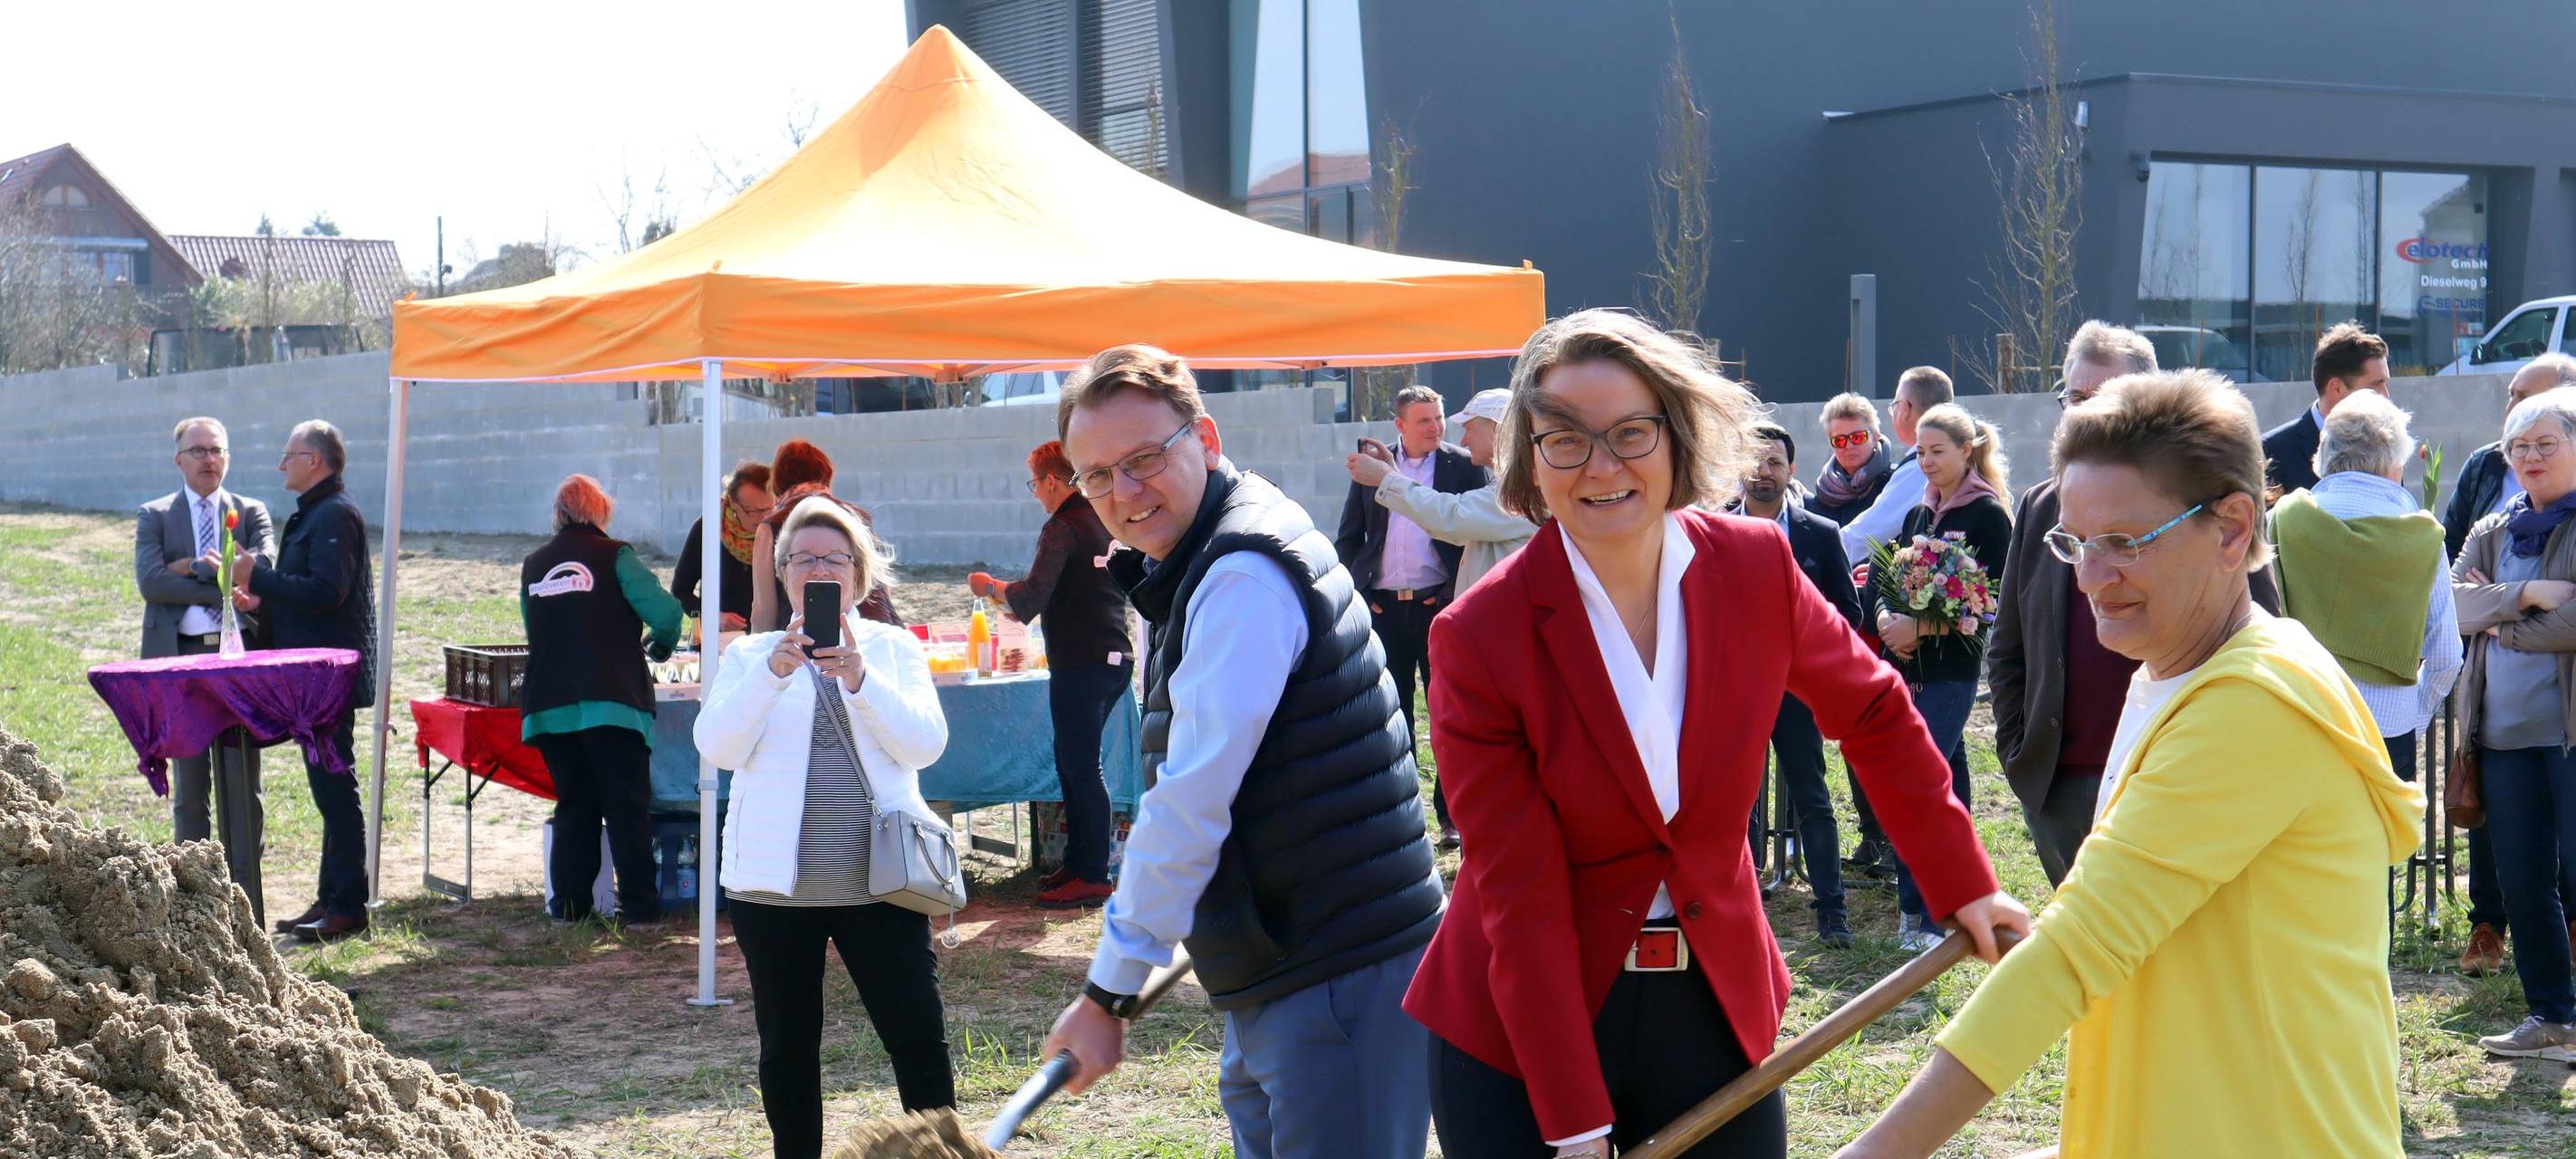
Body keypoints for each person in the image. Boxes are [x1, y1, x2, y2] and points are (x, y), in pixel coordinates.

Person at [1406, 309, 2025, 1159]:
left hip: (1710, 1002)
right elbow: (1519, 886)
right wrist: (1576, 1124)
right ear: (1530, 460)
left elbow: (1876, 712)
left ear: (1676, 437)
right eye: (1566, 441)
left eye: (1631, 433)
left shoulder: (1756, 567)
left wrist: (1964, 881)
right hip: (1523, 1033)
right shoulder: (1478, 635)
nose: (1603, 467)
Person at [1836, 369, 2427, 1159]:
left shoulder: (2254, 704)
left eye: (2124, 543)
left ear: (2229, 528)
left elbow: (2084, 944)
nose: (2088, 578)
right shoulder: (2175, 670)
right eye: (2075, 543)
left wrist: (1876, 1151)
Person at [1041, 344, 1444, 1159]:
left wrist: (1108, 990)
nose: (1123, 491)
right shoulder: (1204, 551)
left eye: (1145, 458)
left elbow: (1190, 800)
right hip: (1290, 961)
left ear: (1207, 439)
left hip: (1338, 966)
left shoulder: (1241, 574)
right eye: (1095, 475)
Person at [695, 499, 955, 1158]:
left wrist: (861, 679)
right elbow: (717, 746)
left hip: (882, 884)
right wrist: (772, 675)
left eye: (833, 558)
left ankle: (940, 1152)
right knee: (787, 1046)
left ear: (859, 575)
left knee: (917, 1035)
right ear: (783, 575)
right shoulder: (752, 654)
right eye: (803, 558)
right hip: (771, 891)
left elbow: (925, 745)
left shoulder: (893, 649)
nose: (818, 568)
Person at [1989, 322, 2157, 886]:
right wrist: (2017, 750)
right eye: (2075, 398)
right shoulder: (2040, 508)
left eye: (2102, 398)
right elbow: (2009, 644)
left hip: (2158, 777)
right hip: (2059, 786)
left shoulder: (2193, 506)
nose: (2084, 413)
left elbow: (2253, 632)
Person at [2450, 385, 2576, 1063]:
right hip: (2500, 739)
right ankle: (2552, 1016)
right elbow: (2449, 604)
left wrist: (2503, 628)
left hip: (2569, 736)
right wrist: (2524, 596)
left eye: (2545, 444)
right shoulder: (2495, 528)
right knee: (2524, 883)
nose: (2530, 457)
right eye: (2518, 447)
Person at [1870, 402, 2012, 952]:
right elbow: (1885, 577)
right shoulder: (1917, 515)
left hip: (1951, 674)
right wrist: (1885, 617)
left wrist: (1923, 627)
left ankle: (1923, 916)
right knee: (1947, 789)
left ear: (1966, 451)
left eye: (1937, 451)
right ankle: (1957, 902)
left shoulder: (1988, 516)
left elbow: (1993, 600)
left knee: (1917, 784)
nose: (1926, 462)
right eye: (1920, 452)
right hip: (1908, 672)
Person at [969, 439, 1134, 909]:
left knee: (1080, 767)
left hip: (1083, 661)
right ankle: (1082, 864)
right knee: (1075, 764)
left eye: (1035, 483)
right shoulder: (1099, 517)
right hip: (1111, 658)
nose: (1035, 493)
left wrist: (989, 587)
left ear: (1053, 480)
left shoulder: (1062, 525)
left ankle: (1094, 874)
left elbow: (1029, 599)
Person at [2273, 391, 2460, 788]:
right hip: (2387, 730)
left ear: (2322, 457)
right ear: (2397, 461)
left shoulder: (2282, 520)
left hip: (2299, 719)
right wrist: (2414, 716)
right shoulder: (2424, 536)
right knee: (2381, 849)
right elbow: (2447, 655)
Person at [521, 474, 686, 924]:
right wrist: (660, 645)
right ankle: (639, 912)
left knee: (575, 807)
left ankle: (568, 912)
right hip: (611, 700)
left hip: (550, 703)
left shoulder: (534, 564)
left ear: (558, 515)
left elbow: (534, 628)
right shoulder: (616, 556)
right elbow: (669, 614)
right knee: (626, 807)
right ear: (600, 513)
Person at [235, 419, 376, 943]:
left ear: (314, 461)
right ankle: (330, 897)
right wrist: (261, 599)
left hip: (328, 677)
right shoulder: (316, 514)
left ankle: (349, 905)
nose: (281, 465)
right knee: (327, 791)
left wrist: (257, 577)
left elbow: (327, 591)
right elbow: (304, 593)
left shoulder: (335, 513)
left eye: (288, 455)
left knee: (337, 791)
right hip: (311, 676)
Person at [1335, 383, 1491, 846]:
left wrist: (1446, 594)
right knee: (1389, 713)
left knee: (1446, 713)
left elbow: (1472, 533)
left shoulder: (1462, 465)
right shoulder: (1373, 469)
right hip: (1383, 609)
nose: (1436, 428)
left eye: (1439, 418)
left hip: (1436, 608)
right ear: (1399, 425)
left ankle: (1451, 819)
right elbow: (1350, 537)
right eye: (1424, 420)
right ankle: (1401, 815)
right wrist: (1362, 593)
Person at [1731, 420, 1862, 945]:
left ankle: (1831, 909)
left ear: (1792, 471)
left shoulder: (1818, 533)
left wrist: (1806, 656)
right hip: (1732, 693)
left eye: (1774, 464)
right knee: (1731, 798)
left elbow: (1847, 615)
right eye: (1754, 462)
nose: (1763, 474)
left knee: (1812, 795)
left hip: (1793, 691)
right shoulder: (1710, 529)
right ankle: (1736, 906)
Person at [135, 417, 274, 902]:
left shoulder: (251, 512)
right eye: (197, 451)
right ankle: (195, 909)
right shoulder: (154, 515)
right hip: (181, 667)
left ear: (228, 458)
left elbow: (265, 571)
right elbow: (152, 582)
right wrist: (209, 573)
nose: (208, 459)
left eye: (216, 450)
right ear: (179, 460)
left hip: (239, 666)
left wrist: (190, 572)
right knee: (191, 792)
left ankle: (245, 903)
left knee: (242, 791)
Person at [1832, 368, 1953, 880]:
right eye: (1838, 438)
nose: (1850, 445)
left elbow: (1870, 535)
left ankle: (1920, 863)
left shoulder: (1907, 470)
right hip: (1888, 619)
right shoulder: (1837, 483)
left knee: (1918, 746)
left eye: (1860, 433)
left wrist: (1806, 549)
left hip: (1919, 630)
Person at [1344, 386, 1535, 598]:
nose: (1464, 440)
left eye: (1469, 429)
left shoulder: (1521, 491)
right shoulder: (1518, 484)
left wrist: (1386, 478)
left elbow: (1450, 516)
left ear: (1497, 430)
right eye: (1424, 421)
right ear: (1400, 425)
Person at [747, 439, 901, 632]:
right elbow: (882, 587)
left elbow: (763, 610)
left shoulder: (772, 525)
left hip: (804, 637)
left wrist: (758, 652)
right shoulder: (858, 516)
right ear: (825, 474)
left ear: (778, 481)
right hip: (880, 629)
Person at [1836, 366, 1953, 563]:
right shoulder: (1956, 458)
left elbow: (1866, 534)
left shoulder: (1920, 467)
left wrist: (1818, 550)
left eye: (1895, 405)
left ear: (1905, 408)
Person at [2262, 321, 2390, 493]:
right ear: (2336, 387)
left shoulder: (2386, 448)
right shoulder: (2272, 453)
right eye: (2376, 385)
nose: (2385, 395)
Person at [672, 460, 772, 634]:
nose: (763, 517)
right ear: (733, 503)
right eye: (753, 511)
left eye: (769, 508)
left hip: (773, 640)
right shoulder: (707, 529)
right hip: (723, 642)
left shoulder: (782, 530)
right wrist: (712, 617)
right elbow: (680, 591)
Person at [1809, 392, 1893, 528]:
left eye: (1858, 437)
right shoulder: (1824, 494)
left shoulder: (1894, 483)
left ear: (1875, 437)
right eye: (1839, 440)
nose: (1849, 446)